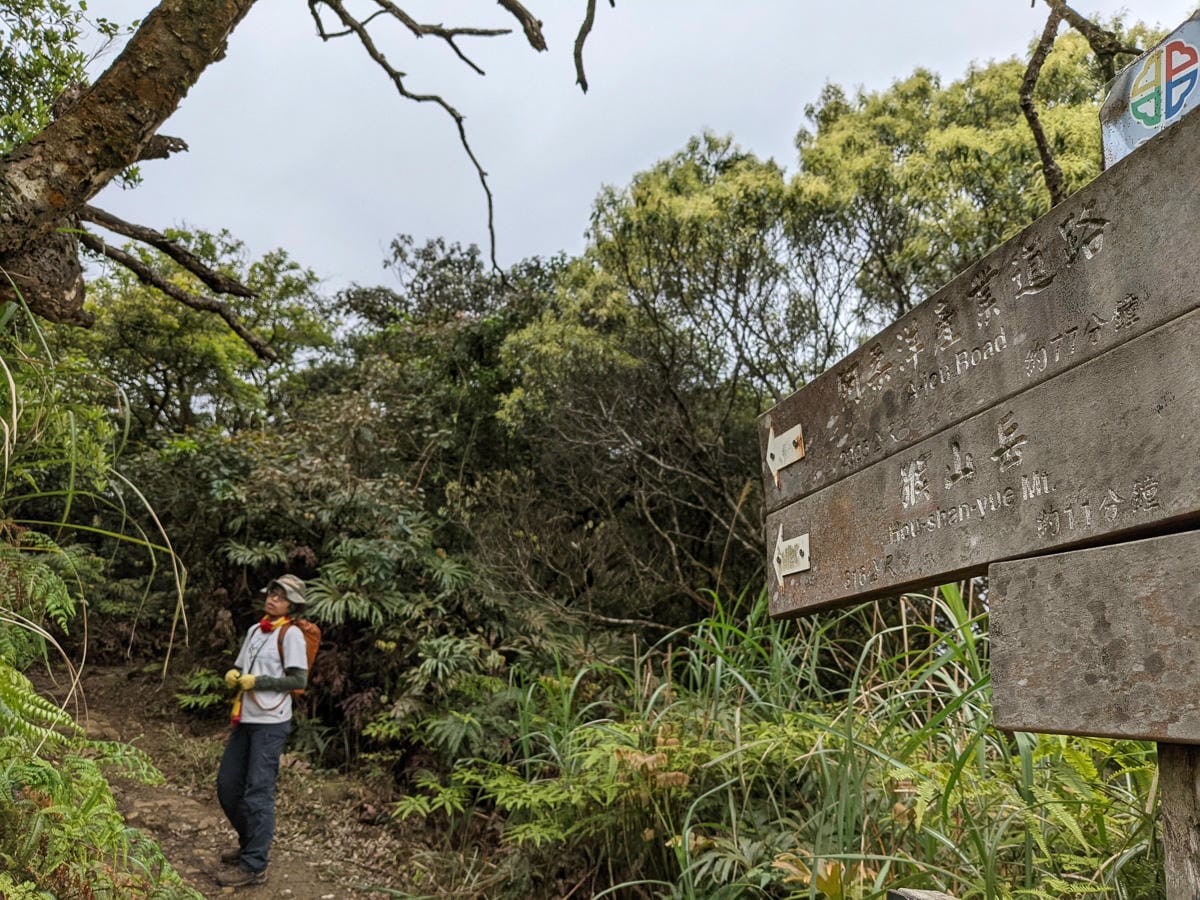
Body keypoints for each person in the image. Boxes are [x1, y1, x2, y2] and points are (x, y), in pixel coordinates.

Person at [214, 574, 310, 888]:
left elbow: (298, 681)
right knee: (228, 786)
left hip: (271, 723)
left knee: (258, 792)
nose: (273, 599)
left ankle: (254, 865)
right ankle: (249, 844)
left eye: (280, 597)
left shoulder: (291, 635)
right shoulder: (256, 630)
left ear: (292, 605)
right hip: (246, 718)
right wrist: (235, 674)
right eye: (272, 594)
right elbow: (243, 667)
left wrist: (260, 682)